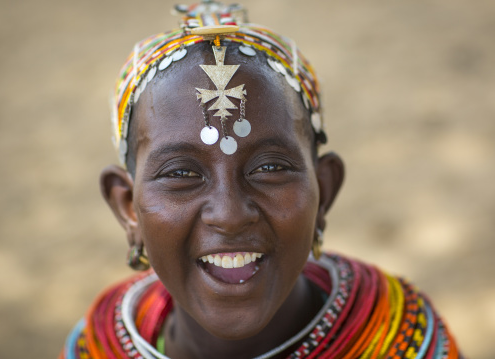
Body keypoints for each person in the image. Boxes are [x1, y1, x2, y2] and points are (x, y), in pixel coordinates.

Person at [61, 1, 462, 358]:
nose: (231, 215)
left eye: (270, 168)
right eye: (181, 173)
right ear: (129, 209)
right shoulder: (97, 346)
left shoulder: (403, 339)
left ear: (323, 192)